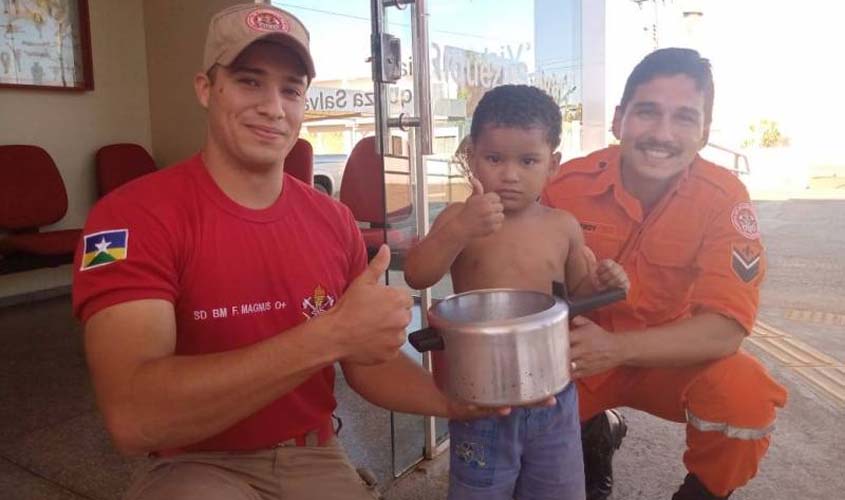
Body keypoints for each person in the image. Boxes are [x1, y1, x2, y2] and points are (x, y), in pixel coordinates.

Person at [72, 4, 496, 500]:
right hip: (194, 460)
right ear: (206, 89)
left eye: (290, 89)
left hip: (311, 453)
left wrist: (456, 403)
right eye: (250, 81)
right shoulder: (129, 217)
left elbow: (366, 364)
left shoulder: (332, 219)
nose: (273, 106)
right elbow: (135, 415)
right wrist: (330, 335)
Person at [542, 48, 789, 500]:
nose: (662, 134)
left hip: (666, 358)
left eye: (684, 118)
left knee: (745, 393)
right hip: (575, 357)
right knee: (508, 409)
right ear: (619, 121)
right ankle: (591, 432)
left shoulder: (724, 198)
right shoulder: (562, 188)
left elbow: (724, 330)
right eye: (648, 112)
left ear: (704, 133)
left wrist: (617, 349)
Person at [404, 84, 630, 500]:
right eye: (494, 159)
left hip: (553, 394)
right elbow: (418, 275)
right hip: (480, 397)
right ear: (472, 157)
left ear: (553, 165)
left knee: (558, 490)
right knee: (479, 491)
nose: (510, 174)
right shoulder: (459, 217)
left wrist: (601, 282)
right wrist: (458, 231)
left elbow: (579, 296)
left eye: (528, 161)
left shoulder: (562, 225)